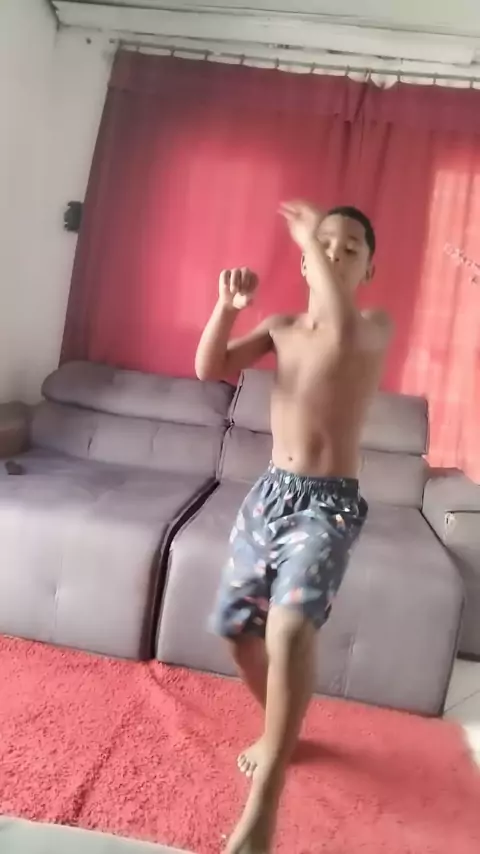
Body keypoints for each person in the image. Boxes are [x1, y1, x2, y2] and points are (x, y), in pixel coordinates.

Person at [195, 200, 392, 854]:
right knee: (236, 631)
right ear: (306, 264)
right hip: (271, 496)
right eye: (325, 244)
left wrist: (309, 236)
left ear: (368, 269)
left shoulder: (371, 326)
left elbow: (338, 334)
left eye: (350, 248)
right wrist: (228, 307)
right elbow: (211, 366)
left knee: (288, 628)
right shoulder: (281, 327)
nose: (333, 253)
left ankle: (267, 796)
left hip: (328, 505)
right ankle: (283, 730)